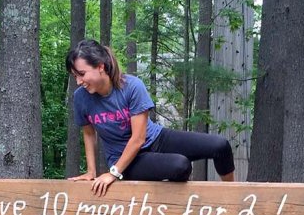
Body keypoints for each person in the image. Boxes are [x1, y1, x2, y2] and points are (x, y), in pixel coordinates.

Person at [66, 39, 235, 197]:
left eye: (81, 74)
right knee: (180, 165)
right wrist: (92, 171)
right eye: (75, 76)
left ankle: (231, 198)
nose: (79, 81)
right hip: (124, 160)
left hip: (155, 139)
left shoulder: (131, 86)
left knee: (220, 146)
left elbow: (138, 138)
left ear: (100, 66)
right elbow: (89, 133)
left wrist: (112, 174)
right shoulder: (81, 97)